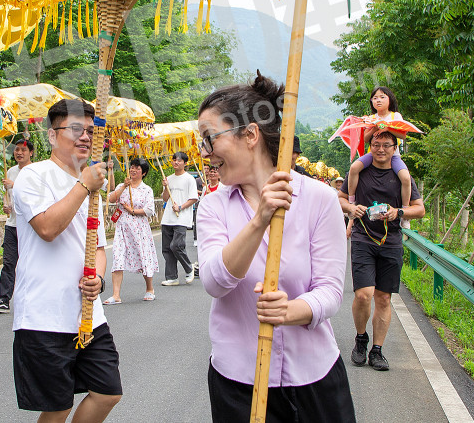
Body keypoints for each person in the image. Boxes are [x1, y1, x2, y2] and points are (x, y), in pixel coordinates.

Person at [196, 74, 356, 421]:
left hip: (314, 378)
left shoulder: (320, 199)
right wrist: (260, 220)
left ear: (250, 134)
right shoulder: (212, 206)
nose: (205, 152)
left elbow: (330, 291)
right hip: (238, 382)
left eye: (209, 138)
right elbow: (214, 282)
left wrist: (292, 311)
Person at [10, 99, 121, 422]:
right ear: (51, 135)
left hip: (88, 317)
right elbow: (47, 228)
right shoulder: (33, 177)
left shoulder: (93, 187)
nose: (85, 136)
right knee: (57, 407)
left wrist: (98, 279)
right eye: (75, 129)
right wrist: (84, 184)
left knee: (108, 391)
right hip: (43, 316)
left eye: (90, 130)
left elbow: (98, 247)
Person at [339, 129, 424, 371]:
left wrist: (399, 212)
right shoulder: (360, 171)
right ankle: (360, 338)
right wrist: (351, 209)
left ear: (394, 148)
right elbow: (342, 198)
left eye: (387, 145)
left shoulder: (401, 176)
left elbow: (420, 209)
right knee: (363, 294)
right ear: (370, 146)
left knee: (384, 298)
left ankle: (377, 350)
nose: (381, 149)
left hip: (392, 242)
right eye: (376, 144)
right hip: (364, 239)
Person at [345, 86, 413, 222]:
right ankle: (352, 201)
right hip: (373, 154)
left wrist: (387, 127)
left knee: (405, 178)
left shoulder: (396, 116)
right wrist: (375, 126)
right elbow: (365, 139)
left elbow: (402, 135)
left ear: (390, 99)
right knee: (354, 168)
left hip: (393, 155)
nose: (378, 100)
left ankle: (405, 212)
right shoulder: (370, 118)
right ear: (371, 102)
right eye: (375, 98)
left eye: (382, 97)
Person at [0, 137, 34, 314]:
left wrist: (14, 186)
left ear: (30, 153)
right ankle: (3, 299)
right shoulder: (11, 171)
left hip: (29, 226)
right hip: (12, 224)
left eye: (23, 150)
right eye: (17, 150)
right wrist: (6, 205)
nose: (19, 153)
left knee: (28, 263)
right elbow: (8, 197)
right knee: (8, 262)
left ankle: (30, 298)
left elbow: (33, 194)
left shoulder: (35, 172)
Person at [103, 157, 158, 304]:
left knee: (143, 256)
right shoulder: (123, 185)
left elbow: (150, 210)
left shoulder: (147, 190)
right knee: (118, 256)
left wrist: (132, 210)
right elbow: (112, 199)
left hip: (139, 228)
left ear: (143, 173)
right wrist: (123, 187)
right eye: (132, 167)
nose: (133, 170)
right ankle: (116, 295)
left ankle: (150, 288)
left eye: (137, 168)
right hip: (122, 227)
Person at [161, 151, 197, 286]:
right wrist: (165, 187)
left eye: (179, 160)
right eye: (174, 159)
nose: (176, 162)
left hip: (181, 218)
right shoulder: (168, 178)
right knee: (167, 248)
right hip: (167, 218)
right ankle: (172, 277)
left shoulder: (189, 179)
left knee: (176, 245)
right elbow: (165, 198)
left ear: (185, 163)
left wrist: (180, 207)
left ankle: (189, 268)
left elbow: (193, 198)